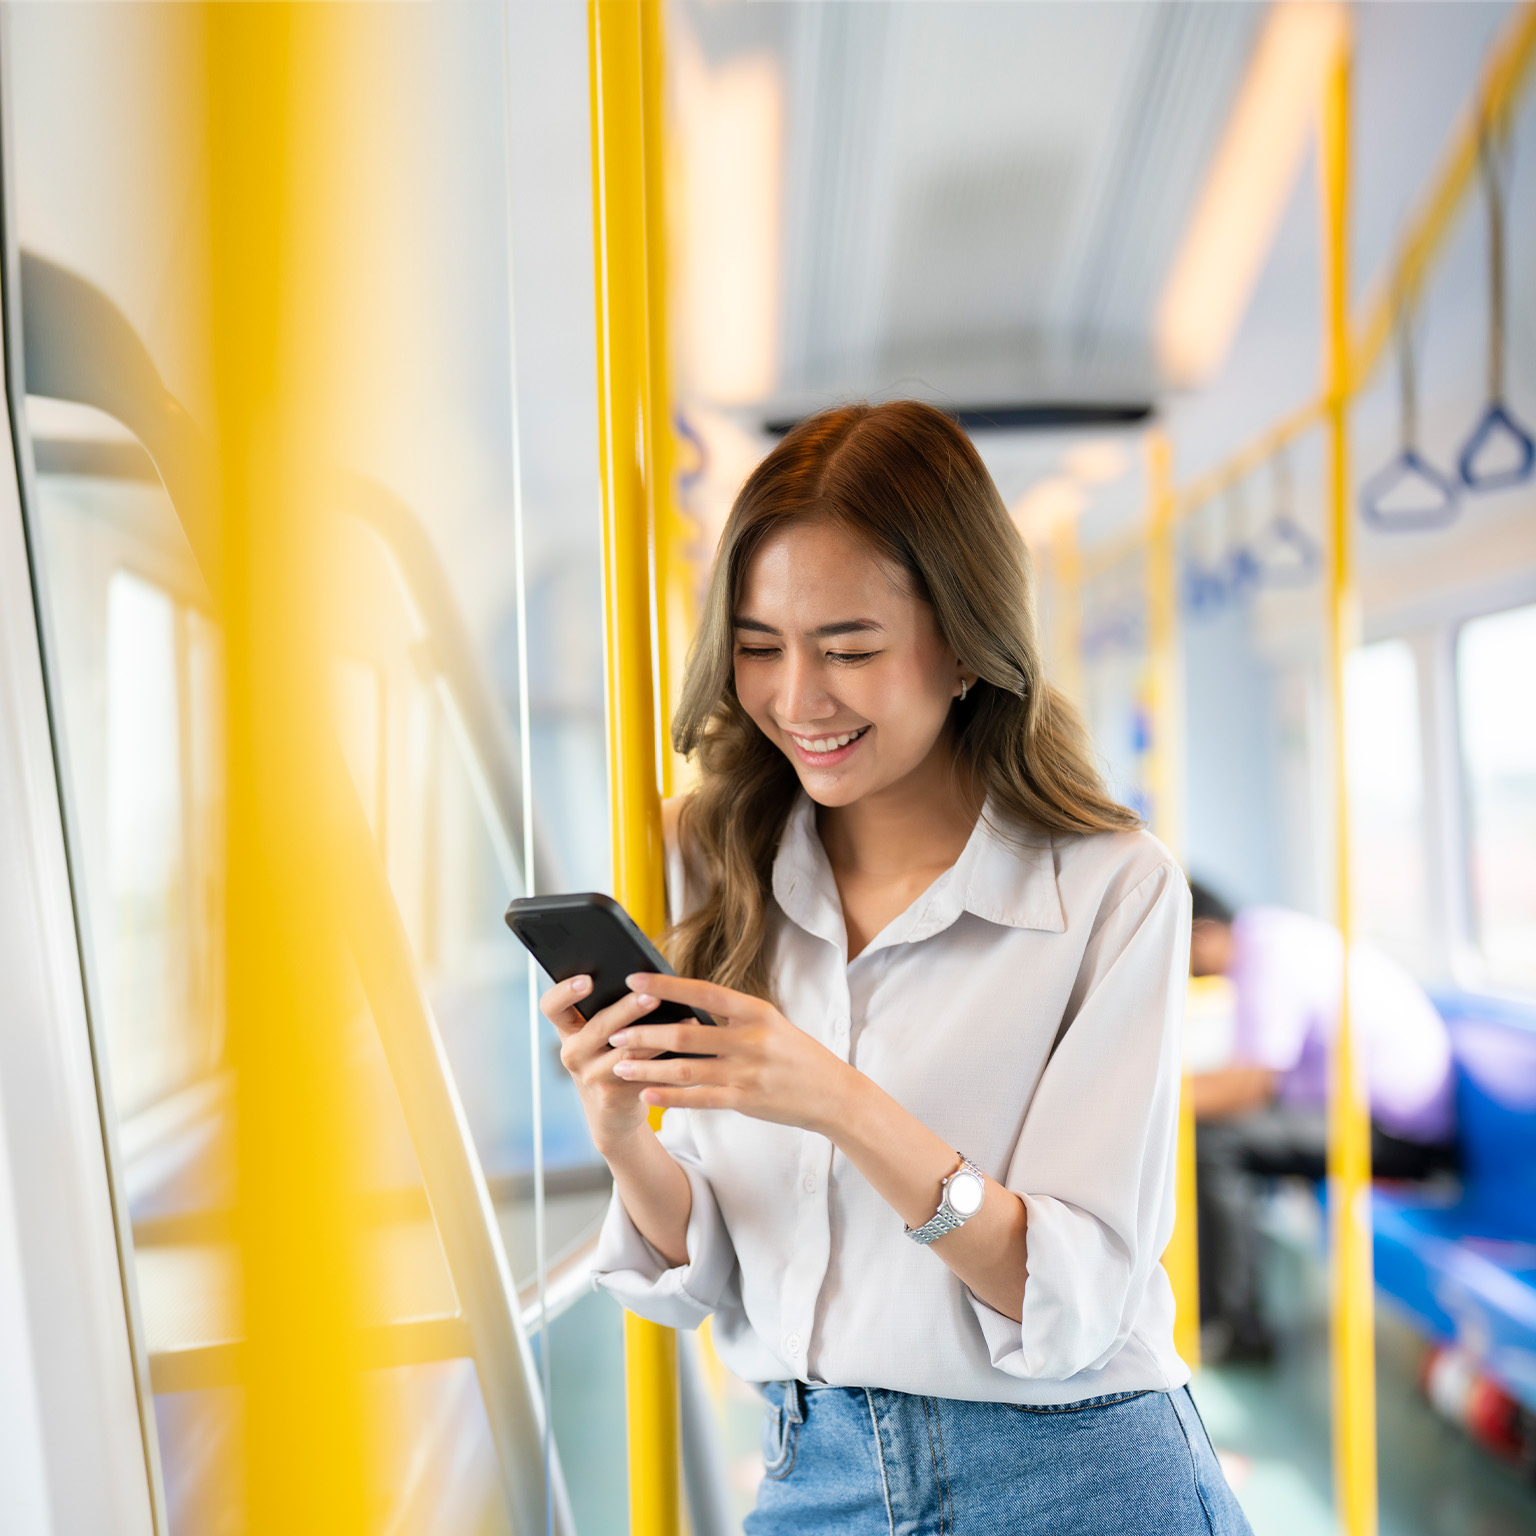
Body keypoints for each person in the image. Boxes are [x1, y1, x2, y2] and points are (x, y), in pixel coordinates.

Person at [546, 402, 1250, 1534]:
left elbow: (1069, 1299)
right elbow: (718, 1270)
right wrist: (625, 1135)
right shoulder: (709, 865)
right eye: (761, 648)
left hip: (1077, 1479)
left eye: (850, 648)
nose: (797, 699)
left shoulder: (1112, 889)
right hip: (812, 1473)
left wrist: (838, 1101)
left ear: (968, 644)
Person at [1187, 880, 1457, 1362]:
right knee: (1224, 1135)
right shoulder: (1267, 938)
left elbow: (1248, 1087)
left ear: (1202, 934)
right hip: (1372, 1117)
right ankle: (1226, 1310)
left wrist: (1163, 1095)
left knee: (1214, 1140)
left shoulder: (1264, 956)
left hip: (1397, 1131)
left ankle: (1235, 1328)